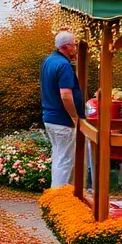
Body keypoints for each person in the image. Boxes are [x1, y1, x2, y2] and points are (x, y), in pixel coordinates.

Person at [41, 31, 84, 188]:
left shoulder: (49, 60)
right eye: (73, 45)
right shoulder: (63, 65)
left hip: (50, 117)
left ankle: (55, 195)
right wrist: (74, 116)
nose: (75, 48)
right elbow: (66, 95)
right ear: (66, 47)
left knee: (58, 157)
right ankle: (59, 198)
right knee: (65, 161)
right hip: (62, 120)